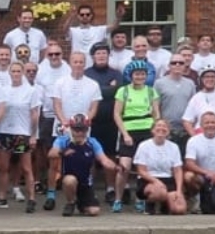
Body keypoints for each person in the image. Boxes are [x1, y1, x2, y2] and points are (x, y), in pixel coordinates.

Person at [112, 60, 159, 213]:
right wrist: (125, 134)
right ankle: (118, 198)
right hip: (129, 131)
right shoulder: (123, 91)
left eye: (143, 74)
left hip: (147, 130)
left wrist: (156, 130)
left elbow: (156, 113)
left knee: (143, 168)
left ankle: (141, 199)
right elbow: (117, 114)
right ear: (131, 75)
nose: (140, 77)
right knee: (124, 167)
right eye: (137, 74)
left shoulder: (151, 91)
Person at [53, 118, 119, 216]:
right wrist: (62, 152)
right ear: (70, 129)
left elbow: (104, 160)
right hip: (69, 179)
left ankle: (81, 204)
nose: (79, 133)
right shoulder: (63, 140)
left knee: (94, 211)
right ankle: (70, 202)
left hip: (86, 183)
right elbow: (51, 154)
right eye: (76, 130)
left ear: (87, 130)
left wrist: (116, 167)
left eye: (82, 130)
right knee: (69, 181)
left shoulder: (92, 142)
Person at [131, 120, 186, 215]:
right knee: (160, 192)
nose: (161, 128)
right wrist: (156, 181)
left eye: (165, 126)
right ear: (152, 130)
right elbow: (141, 170)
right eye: (158, 126)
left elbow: (177, 171)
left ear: (168, 131)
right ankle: (149, 203)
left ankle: (165, 205)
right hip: (148, 180)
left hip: (168, 180)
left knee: (179, 210)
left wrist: (179, 190)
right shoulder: (144, 146)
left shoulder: (174, 147)